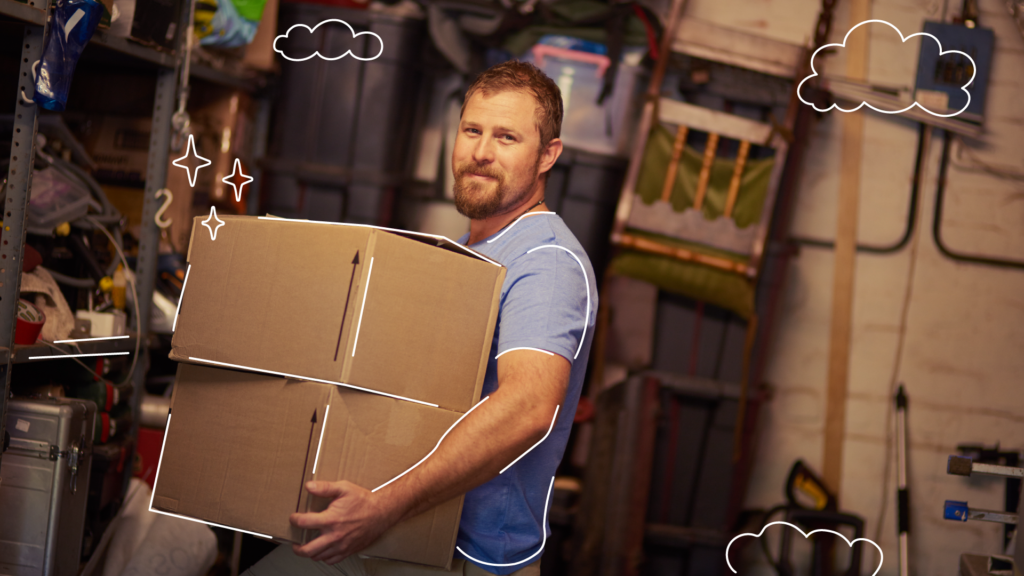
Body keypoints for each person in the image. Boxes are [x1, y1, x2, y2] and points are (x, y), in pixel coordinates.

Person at [245, 60, 597, 576]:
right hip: (397, 529)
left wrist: (385, 505)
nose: (481, 152)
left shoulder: (546, 262)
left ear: (548, 155)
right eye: (472, 131)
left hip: (464, 555)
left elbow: (528, 408)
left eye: (506, 137)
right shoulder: (465, 252)